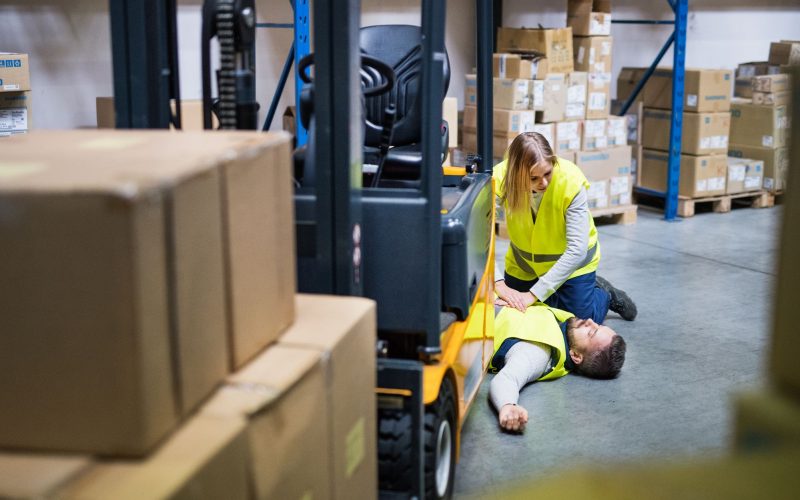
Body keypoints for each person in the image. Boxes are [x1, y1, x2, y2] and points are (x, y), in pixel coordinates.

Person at [493, 132, 637, 323]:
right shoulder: (500, 179)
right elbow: (479, 235)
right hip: (524, 264)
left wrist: (533, 295)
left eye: (547, 173)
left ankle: (604, 294)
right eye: (533, 178)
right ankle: (557, 296)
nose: (543, 183)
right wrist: (497, 283)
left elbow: (577, 250)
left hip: (574, 264)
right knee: (512, 313)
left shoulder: (570, 181)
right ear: (517, 174)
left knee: (576, 323)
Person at [489, 303, 627, 432]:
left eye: (591, 333)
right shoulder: (566, 326)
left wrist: (507, 405)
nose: (590, 321)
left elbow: (508, 379)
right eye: (598, 325)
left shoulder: (538, 353)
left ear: (576, 356)